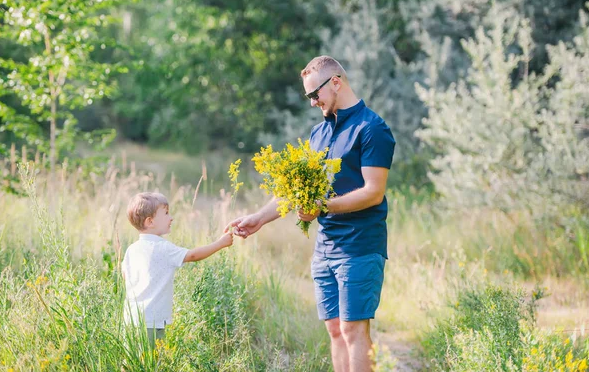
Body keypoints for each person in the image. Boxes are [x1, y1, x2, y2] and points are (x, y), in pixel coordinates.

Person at [229, 55, 395, 371]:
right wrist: (258, 219)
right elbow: (294, 191)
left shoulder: (372, 128)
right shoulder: (318, 134)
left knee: (353, 329)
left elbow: (374, 192)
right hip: (325, 248)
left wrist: (321, 207)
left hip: (360, 246)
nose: (312, 102)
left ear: (336, 82)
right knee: (334, 330)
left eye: (314, 94)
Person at [123, 192, 233, 348]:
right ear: (150, 221)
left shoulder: (131, 250)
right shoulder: (162, 247)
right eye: (166, 213)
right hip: (152, 322)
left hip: (130, 319)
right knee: (152, 363)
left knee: (130, 363)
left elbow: (125, 276)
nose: (171, 218)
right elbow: (193, 255)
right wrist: (220, 243)